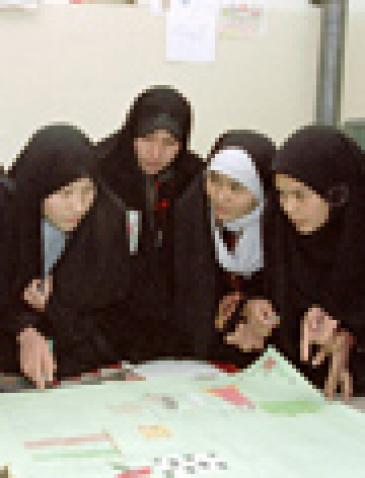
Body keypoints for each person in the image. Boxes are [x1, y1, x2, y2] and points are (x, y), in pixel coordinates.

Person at [1, 123, 130, 388]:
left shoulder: (105, 223)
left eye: (87, 191)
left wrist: (55, 310)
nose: (78, 207)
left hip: (75, 368)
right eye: (65, 193)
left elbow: (114, 319)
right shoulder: (8, 218)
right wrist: (23, 329)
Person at [97, 85, 215, 363]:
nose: (156, 153)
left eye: (169, 143)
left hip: (169, 321)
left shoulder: (195, 177)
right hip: (109, 315)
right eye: (147, 139)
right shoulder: (102, 169)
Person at [254, 125, 365, 400]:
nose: (288, 207)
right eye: (281, 194)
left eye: (300, 195)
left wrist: (351, 336)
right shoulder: (279, 227)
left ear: (337, 194)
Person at [206, 130, 278, 367]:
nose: (221, 196)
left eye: (236, 188)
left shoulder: (281, 230)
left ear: (260, 192)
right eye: (214, 180)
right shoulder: (195, 219)